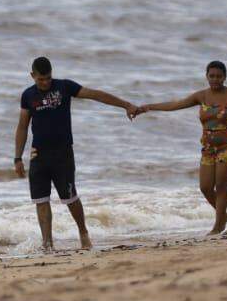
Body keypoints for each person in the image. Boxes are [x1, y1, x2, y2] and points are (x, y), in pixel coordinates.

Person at [133, 61, 227, 235]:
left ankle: (218, 225)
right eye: (212, 76)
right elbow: (175, 105)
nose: (215, 79)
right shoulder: (201, 96)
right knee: (205, 187)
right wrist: (149, 107)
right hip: (208, 147)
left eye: (219, 76)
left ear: (225, 77)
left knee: (220, 186)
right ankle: (223, 216)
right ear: (207, 76)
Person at [14, 56, 139, 252]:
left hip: (62, 154)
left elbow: (96, 95)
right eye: (40, 79)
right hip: (39, 155)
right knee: (41, 200)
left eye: (48, 78)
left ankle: (84, 233)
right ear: (32, 76)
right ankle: (47, 243)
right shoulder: (28, 95)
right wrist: (17, 157)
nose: (45, 82)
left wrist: (126, 105)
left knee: (70, 197)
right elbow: (22, 126)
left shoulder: (64, 87)